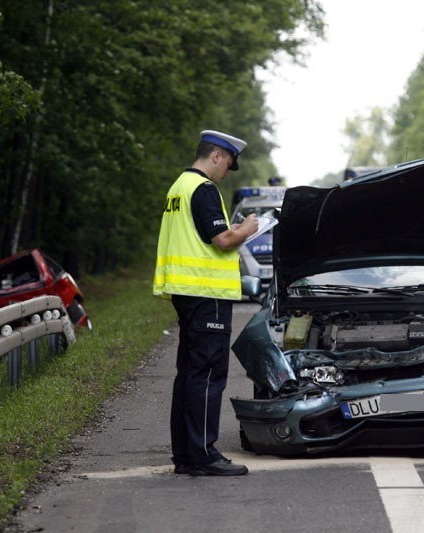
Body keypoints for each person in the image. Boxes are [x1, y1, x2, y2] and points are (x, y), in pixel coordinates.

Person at [153, 130, 259, 475]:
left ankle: (184, 455)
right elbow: (223, 240)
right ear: (216, 156)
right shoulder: (204, 189)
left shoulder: (178, 187)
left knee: (189, 375)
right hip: (206, 295)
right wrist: (247, 229)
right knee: (208, 375)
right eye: (228, 164)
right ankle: (203, 456)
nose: (227, 172)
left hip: (186, 293)